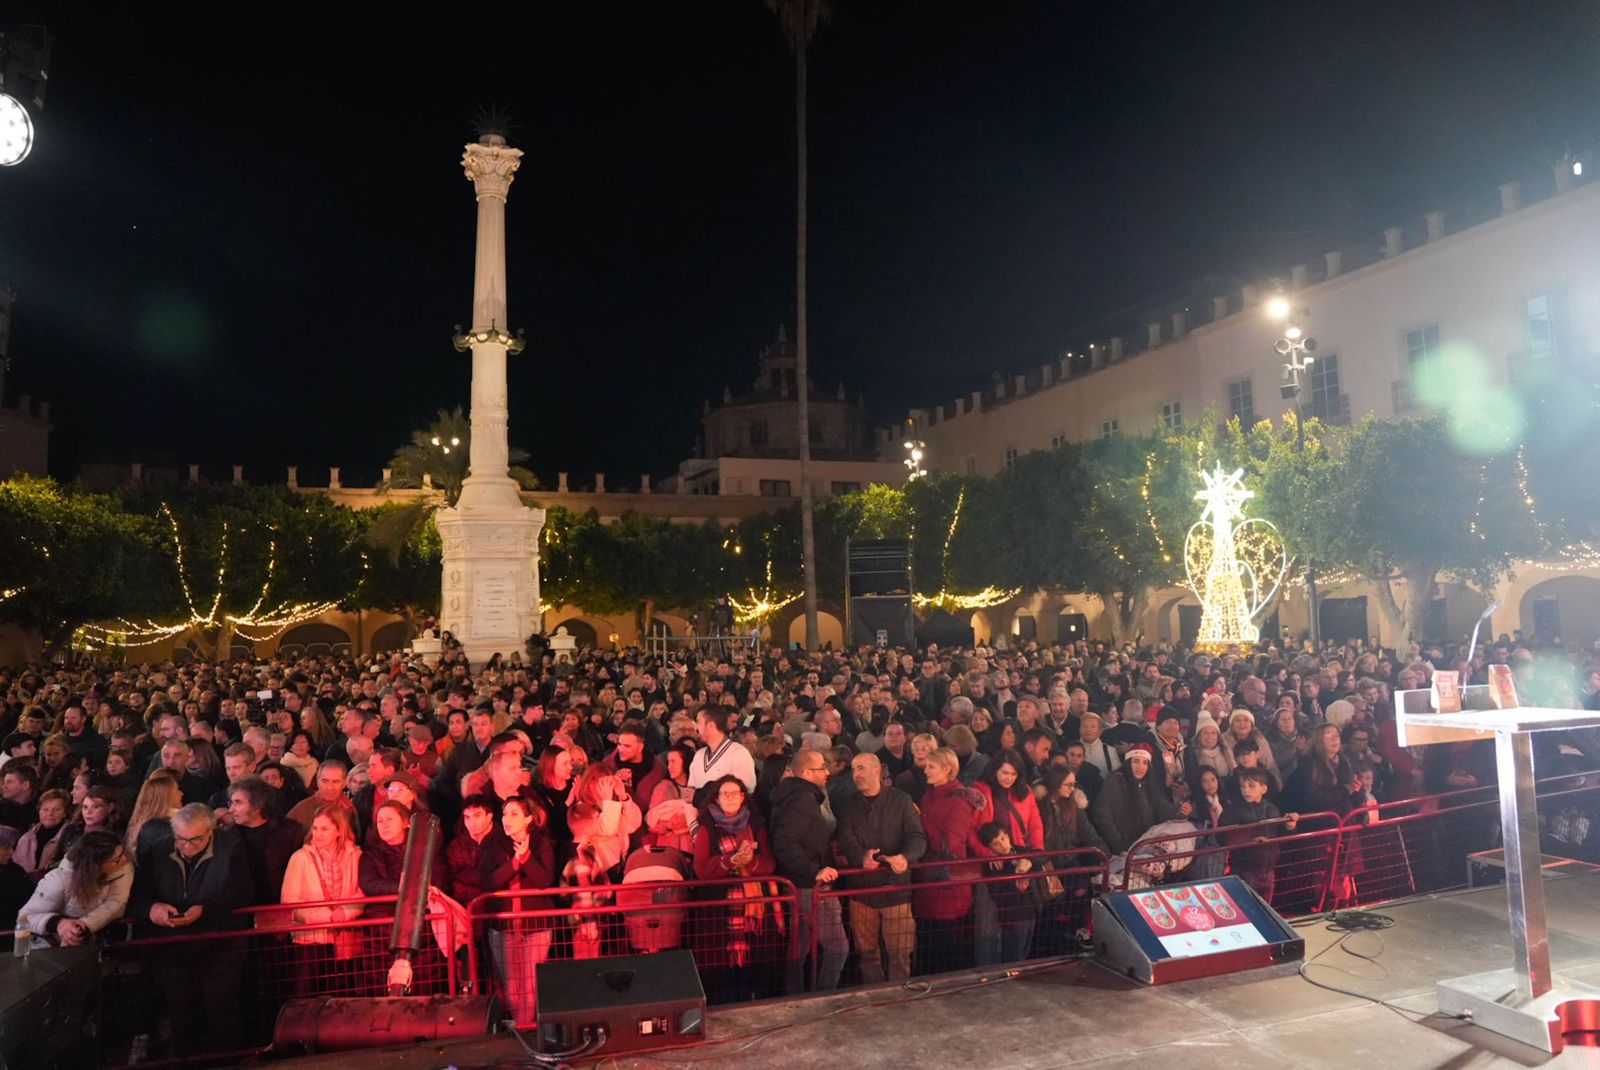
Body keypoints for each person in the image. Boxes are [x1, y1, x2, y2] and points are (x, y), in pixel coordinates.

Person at [129, 804, 253, 1056]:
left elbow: (242, 892)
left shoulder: (231, 848)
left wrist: (205, 910)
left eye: (196, 840)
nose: (187, 847)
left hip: (219, 946)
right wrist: (152, 909)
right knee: (182, 1015)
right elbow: (137, 896)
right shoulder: (159, 848)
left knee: (221, 1013)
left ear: (211, 831)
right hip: (173, 949)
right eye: (181, 839)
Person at [836, 752, 926, 984]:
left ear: (877, 770)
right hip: (862, 892)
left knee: (899, 952)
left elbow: (917, 837)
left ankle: (899, 995)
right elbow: (846, 839)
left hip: (896, 890)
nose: (855, 775)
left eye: (861, 768)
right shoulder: (847, 805)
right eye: (854, 769)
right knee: (867, 953)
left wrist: (905, 858)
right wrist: (860, 857)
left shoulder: (901, 800)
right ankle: (874, 994)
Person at [691, 775, 781, 1002]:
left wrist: (750, 862)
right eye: (725, 794)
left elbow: (769, 863)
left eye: (735, 793)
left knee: (756, 957)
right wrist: (729, 860)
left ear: (743, 797)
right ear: (717, 799)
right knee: (720, 960)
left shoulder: (756, 826)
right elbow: (700, 869)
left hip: (754, 907)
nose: (730, 798)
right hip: (720, 908)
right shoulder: (707, 829)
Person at [769, 748, 847, 993]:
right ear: (805, 772)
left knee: (799, 946)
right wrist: (815, 870)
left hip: (796, 884)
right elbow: (784, 842)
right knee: (838, 947)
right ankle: (823, 995)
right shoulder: (803, 800)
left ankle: (794, 993)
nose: (827, 772)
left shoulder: (792, 795)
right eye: (821, 767)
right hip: (810, 886)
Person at [478, 795, 558, 1023]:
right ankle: (521, 1027)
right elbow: (489, 881)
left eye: (514, 814)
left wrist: (526, 859)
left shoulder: (541, 843)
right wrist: (514, 863)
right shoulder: (494, 844)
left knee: (531, 983)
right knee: (512, 984)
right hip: (503, 926)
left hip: (535, 926)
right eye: (504, 813)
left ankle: (526, 1028)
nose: (506, 819)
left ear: (528, 819)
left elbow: (544, 880)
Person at [280, 805, 365, 996]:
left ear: (339, 830)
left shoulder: (355, 856)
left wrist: (344, 912)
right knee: (308, 996)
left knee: (343, 997)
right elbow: (290, 901)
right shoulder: (300, 858)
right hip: (310, 940)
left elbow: (361, 892)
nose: (317, 834)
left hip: (345, 940)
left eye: (324, 829)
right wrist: (325, 916)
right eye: (315, 828)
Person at [913, 747, 985, 975]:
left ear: (947, 769)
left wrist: (920, 820)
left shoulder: (959, 802)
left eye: (931, 767)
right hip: (929, 882)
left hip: (947, 885)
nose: (926, 771)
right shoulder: (929, 796)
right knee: (929, 943)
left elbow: (948, 844)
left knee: (945, 945)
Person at [18, 830, 131, 949]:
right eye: (116, 859)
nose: (124, 860)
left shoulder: (121, 868)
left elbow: (117, 902)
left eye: (123, 852)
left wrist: (83, 926)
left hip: (90, 941)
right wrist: (58, 924)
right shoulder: (58, 881)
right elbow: (25, 918)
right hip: (49, 947)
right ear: (95, 865)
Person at [1089, 743, 1191, 856]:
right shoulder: (1115, 781)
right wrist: (1119, 845)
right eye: (1136, 761)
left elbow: (1162, 808)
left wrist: (1180, 811)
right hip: (1123, 849)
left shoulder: (1151, 783)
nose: (1140, 767)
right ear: (1128, 763)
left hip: (1146, 845)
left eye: (1145, 763)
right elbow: (1101, 815)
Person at [1218, 768, 1298, 903]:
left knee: (1266, 909)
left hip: (1268, 869)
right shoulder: (1232, 811)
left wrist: (1289, 826)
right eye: (1243, 786)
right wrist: (1250, 841)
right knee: (1245, 908)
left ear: (1263, 789)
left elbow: (1278, 834)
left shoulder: (1272, 809)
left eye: (1251, 786)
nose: (1246, 790)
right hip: (1243, 870)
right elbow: (1221, 837)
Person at [228, 776, 303, 904]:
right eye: (231, 803)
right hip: (241, 910)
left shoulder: (289, 830)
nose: (231, 810)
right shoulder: (228, 836)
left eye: (238, 802)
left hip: (281, 904)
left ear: (258, 805)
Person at [976, 822, 1041, 963]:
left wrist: (1030, 863)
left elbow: (1041, 857)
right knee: (1014, 954)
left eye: (1003, 839)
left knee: (1024, 950)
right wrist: (1016, 879)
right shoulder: (992, 865)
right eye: (995, 844)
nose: (1002, 845)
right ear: (989, 848)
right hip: (1012, 915)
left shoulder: (1019, 851)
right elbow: (997, 894)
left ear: (1007, 836)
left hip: (1031, 910)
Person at [442, 793, 497, 908]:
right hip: (465, 908)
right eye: (467, 817)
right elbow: (452, 883)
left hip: (498, 909)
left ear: (489, 816)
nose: (472, 823)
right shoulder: (456, 846)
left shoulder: (503, 841)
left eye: (477, 816)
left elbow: (500, 879)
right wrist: (481, 895)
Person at [688, 708, 757, 795]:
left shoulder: (739, 753)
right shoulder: (699, 755)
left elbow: (746, 791)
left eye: (698, 722)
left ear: (711, 725)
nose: (695, 727)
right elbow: (690, 790)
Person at [15, 789, 69, 881]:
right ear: (39, 811)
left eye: (56, 810)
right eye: (45, 809)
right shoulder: (26, 838)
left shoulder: (70, 838)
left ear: (65, 813)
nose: (49, 814)